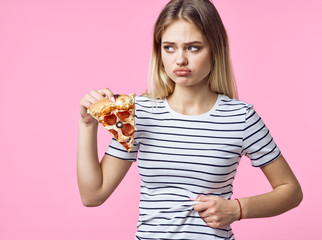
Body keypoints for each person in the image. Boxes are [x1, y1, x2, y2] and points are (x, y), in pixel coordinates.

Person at [77, 0, 303, 239]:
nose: (180, 60)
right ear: (159, 51)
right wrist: (87, 125)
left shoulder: (241, 118)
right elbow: (93, 195)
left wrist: (238, 209)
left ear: (215, 49)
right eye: (169, 47)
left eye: (193, 47)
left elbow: (291, 191)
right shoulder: (137, 113)